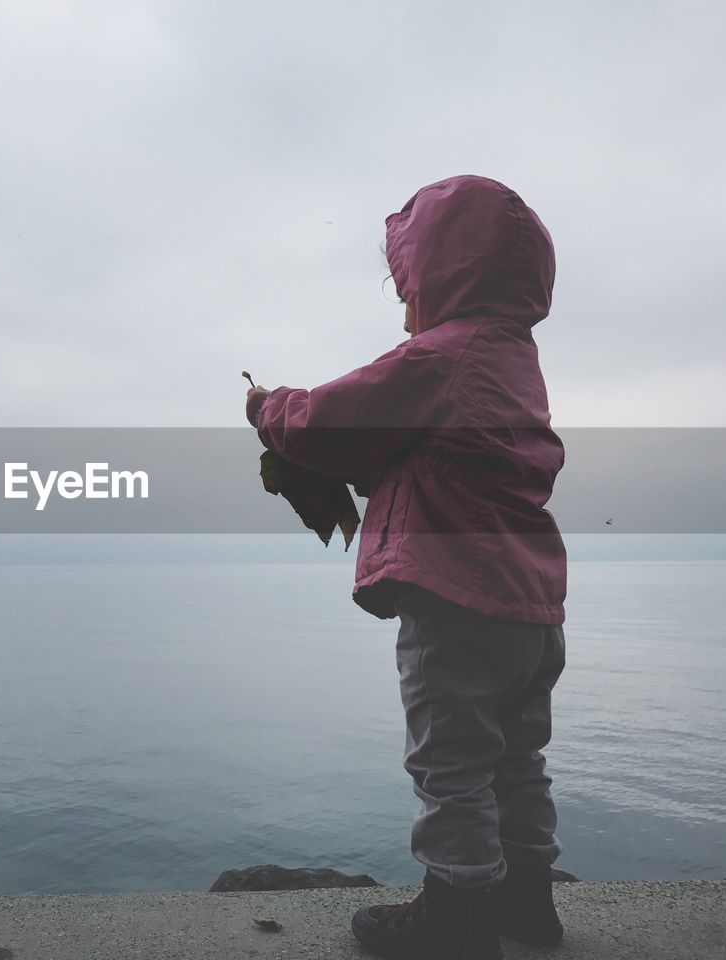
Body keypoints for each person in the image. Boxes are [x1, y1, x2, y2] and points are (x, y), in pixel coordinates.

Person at [245, 174, 567, 960]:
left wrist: (267, 408)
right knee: (516, 759)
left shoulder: (443, 358)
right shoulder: (512, 360)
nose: (403, 307)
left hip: (458, 602)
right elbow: (444, 453)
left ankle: (455, 919)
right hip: (531, 605)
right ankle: (527, 905)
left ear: (446, 277)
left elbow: (334, 416)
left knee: (449, 765)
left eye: (408, 286)